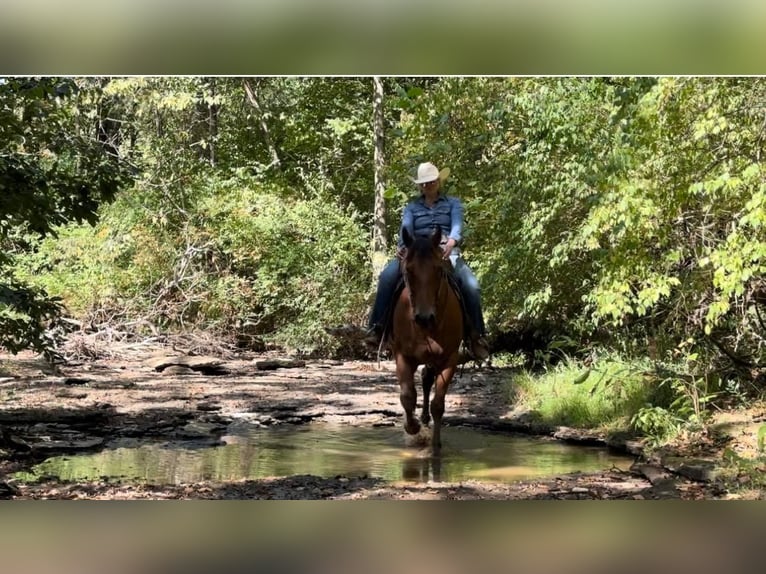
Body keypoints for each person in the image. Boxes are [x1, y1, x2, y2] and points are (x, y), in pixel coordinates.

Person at [365, 162, 489, 360]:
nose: (427, 185)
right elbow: (405, 229)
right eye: (423, 183)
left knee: (472, 286)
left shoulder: (453, 203)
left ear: (438, 181)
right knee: (386, 277)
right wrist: (402, 248)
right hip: (416, 252)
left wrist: (451, 242)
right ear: (419, 186)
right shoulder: (412, 207)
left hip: (445, 251)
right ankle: (377, 329)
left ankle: (477, 337)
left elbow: (457, 225)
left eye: (431, 181)